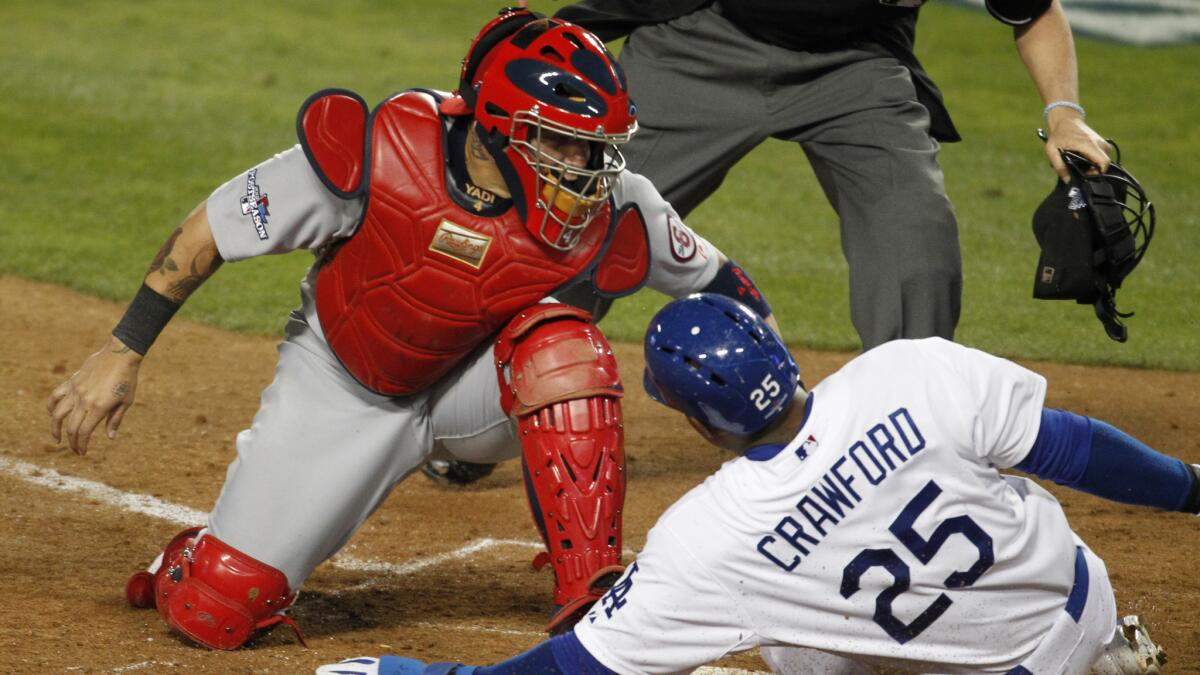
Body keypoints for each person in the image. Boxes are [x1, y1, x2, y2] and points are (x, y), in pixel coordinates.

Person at [44, 9, 781, 650]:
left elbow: (720, 280)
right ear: (499, 125)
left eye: (593, 147)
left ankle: (589, 589)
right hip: (340, 384)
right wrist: (123, 347)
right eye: (560, 143)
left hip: (472, 389)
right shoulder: (377, 150)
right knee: (219, 607)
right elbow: (219, 223)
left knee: (566, 347)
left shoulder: (618, 205)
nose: (584, 167)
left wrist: (789, 403)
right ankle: (196, 558)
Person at [321, 293, 1191, 673]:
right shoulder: (911, 371)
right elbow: (1076, 449)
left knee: (787, 643)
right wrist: (1193, 488)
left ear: (697, 421)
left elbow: (570, 667)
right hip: (1086, 606)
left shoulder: (713, 537)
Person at [548, 0, 1115, 351]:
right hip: (699, 44)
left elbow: (1033, 8)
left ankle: (913, 425)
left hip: (857, 69)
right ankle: (494, 394)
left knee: (916, 243)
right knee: (575, 223)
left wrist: (1064, 116)